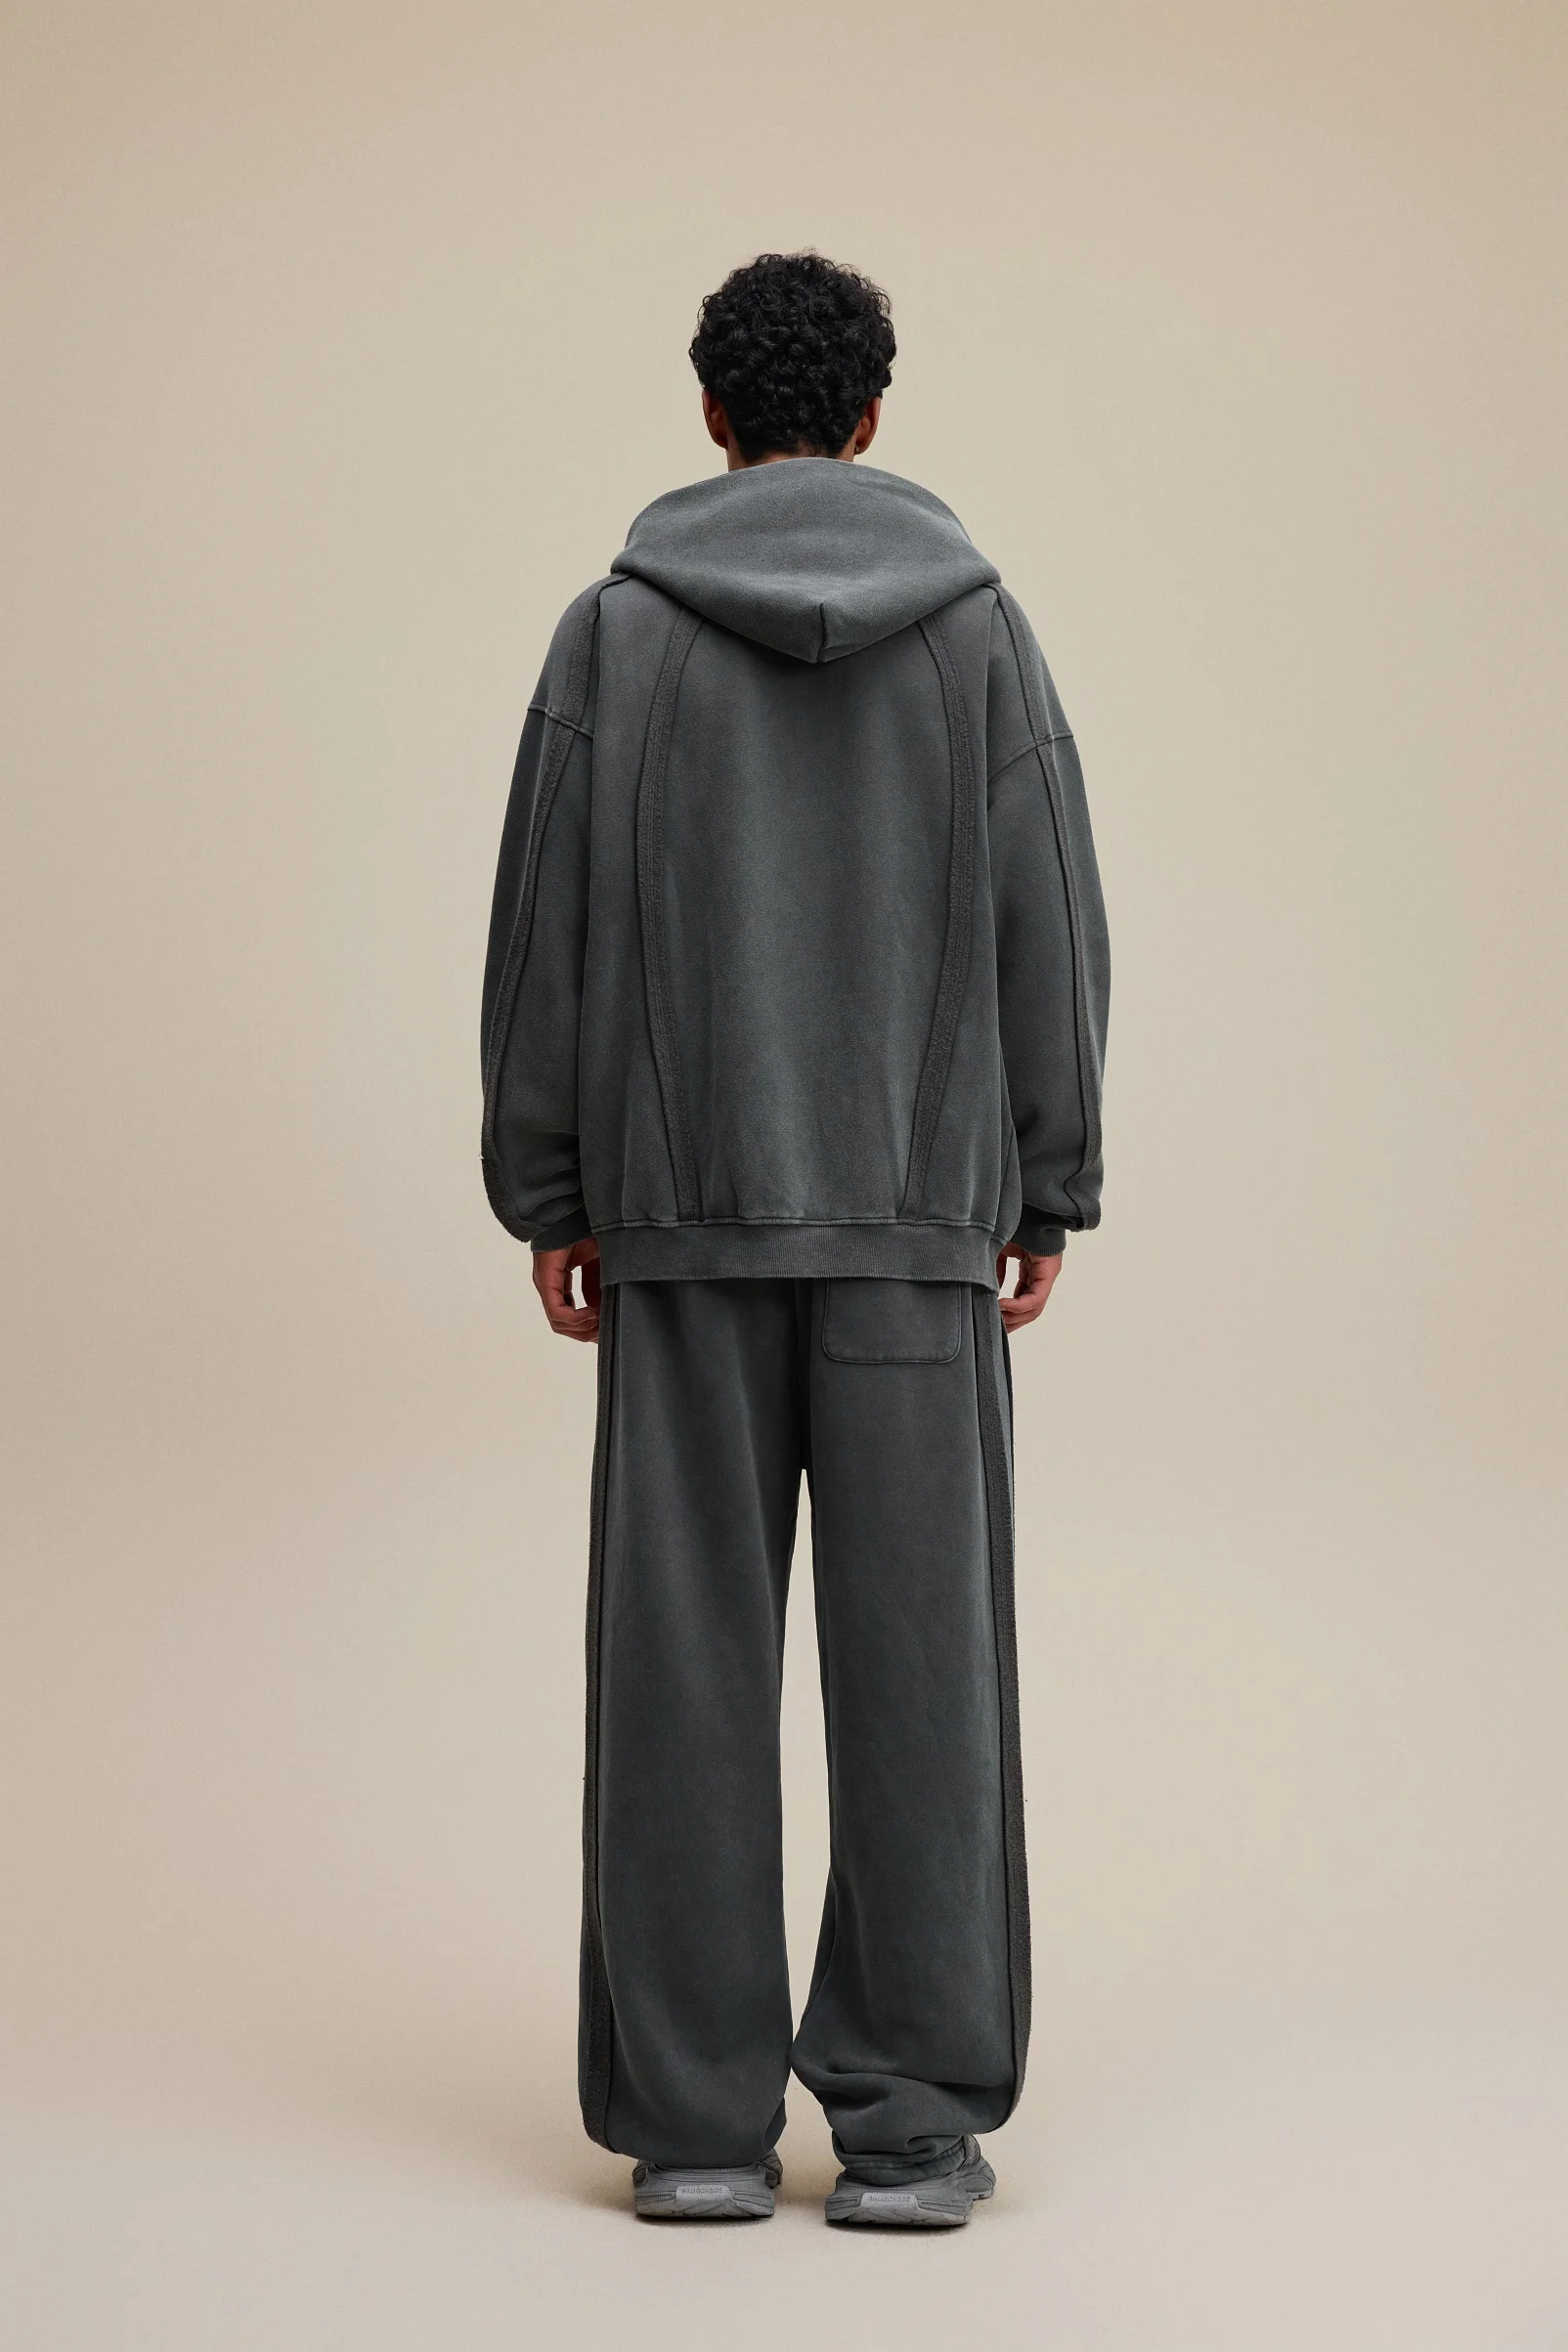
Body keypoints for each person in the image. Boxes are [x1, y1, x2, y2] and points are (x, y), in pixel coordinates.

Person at [481, 251, 1109, 2228]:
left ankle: (693, 2128)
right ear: (870, 416)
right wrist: (1048, 1178)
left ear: (711, 417)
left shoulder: (615, 632)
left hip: (680, 1223)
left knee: (680, 1675)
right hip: (921, 1227)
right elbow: (1051, 911)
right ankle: (911, 2125)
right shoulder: (978, 632)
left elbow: (543, 921)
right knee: (927, 1683)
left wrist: (552, 1191)